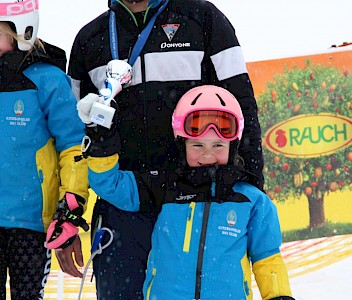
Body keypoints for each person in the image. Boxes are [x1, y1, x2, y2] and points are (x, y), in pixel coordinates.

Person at [61, 0, 265, 298]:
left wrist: (246, 191)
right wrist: (70, 212)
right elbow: (76, 139)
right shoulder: (90, 40)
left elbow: (241, 110)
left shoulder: (202, 19)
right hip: (123, 208)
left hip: (194, 206)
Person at [82, 85, 294, 300]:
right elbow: (110, 184)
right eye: (198, 146)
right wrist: (102, 144)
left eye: (218, 145)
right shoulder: (165, 187)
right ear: (182, 144)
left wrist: (279, 297)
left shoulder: (252, 200)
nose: (208, 155)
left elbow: (267, 258)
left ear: (234, 145)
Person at [0, 0, 89, 299]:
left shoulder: (47, 80)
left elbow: (73, 146)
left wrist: (71, 205)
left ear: (20, 31)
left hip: (31, 224)